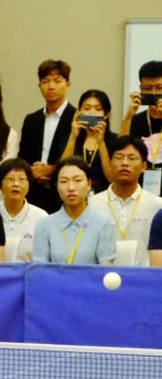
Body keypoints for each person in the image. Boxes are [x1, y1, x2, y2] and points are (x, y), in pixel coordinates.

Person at [87, 136, 162, 266]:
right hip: (103, 278)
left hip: (144, 279)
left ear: (144, 166)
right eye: (119, 157)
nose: (125, 163)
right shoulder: (92, 203)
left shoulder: (157, 205)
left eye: (132, 158)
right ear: (110, 163)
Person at [32, 157, 116, 266]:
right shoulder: (44, 225)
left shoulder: (104, 223)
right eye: (64, 181)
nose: (71, 188)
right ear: (57, 186)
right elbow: (40, 270)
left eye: (78, 180)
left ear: (89, 184)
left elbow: (106, 271)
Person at [18, 60, 77, 213]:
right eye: (45, 81)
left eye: (57, 81)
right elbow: (23, 157)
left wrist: (51, 170)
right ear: (39, 86)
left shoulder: (76, 118)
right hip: (33, 194)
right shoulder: (31, 120)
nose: (51, 86)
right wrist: (33, 171)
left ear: (68, 85)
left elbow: (79, 157)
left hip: (65, 193)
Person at [0, 158, 48, 262]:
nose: (16, 184)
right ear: (0, 184)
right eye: (10, 179)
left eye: (22, 179)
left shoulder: (41, 217)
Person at [61, 90, 116, 194]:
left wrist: (101, 142)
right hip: (74, 194)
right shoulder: (71, 137)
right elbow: (61, 170)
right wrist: (73, 137)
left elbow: (111, 178)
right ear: (79, 112)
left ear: (106, 114)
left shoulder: (115, 140)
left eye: (98, 109)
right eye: (87, 108)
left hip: (104, 197)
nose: (92, 113)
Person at [121, 61, 162, 196]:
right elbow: (120, 148)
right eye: (148, 88)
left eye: (159, 88)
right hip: (140, 189)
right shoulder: (135, 119)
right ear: (141, 89)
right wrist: (129, 115)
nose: (154, 93)